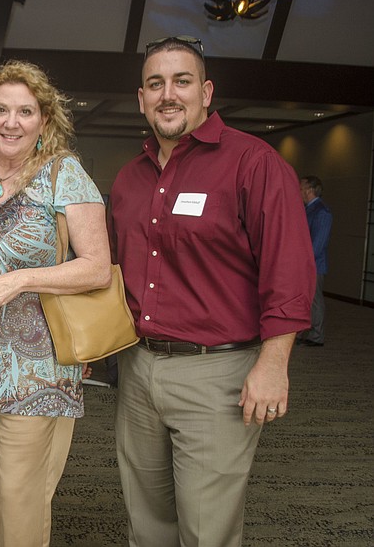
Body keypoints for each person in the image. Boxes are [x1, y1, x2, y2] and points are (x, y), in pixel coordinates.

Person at [108, 35, 315, 547]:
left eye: (181, 81)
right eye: (156, 84)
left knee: (206, 529)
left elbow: (288, 270)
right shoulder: (130, 179)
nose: (168, 94)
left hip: (218, 375)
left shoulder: (253, 163)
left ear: (206, 92)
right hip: (137, 370)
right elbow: (113, 270)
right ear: (141, 98)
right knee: (145, 519)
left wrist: (274, 364)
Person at [0, 60, 111, 547]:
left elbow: (96, 266)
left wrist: (22, 279)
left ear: (44, 121)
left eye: (25, 111)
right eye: (1, 110)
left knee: (19, 496)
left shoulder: (63, 176)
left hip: (35, 371)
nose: (11, 122)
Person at [299, 176, 332, 347]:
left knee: (314, 300)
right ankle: (302, 331)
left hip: (314, 265)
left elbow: (318, 244)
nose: (299, 192)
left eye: (301, 188)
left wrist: (305, 264)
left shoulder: (321, 212)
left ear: (310, 190)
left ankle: (316, 336)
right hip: (305, 264)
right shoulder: (308, 210)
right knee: (303, 299)